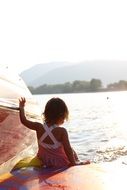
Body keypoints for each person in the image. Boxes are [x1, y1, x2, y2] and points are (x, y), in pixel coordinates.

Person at [19, 97, 90, 168]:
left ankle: (76, 161)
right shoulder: (62, 131)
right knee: (71, 149)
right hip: (59, 162)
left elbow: (23, 121)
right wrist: (73, 163)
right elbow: (67, 149)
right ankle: (77, 161)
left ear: (46, 113)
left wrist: (21, 107)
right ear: (62, 115)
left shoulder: (38, 127)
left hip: (42, 161)